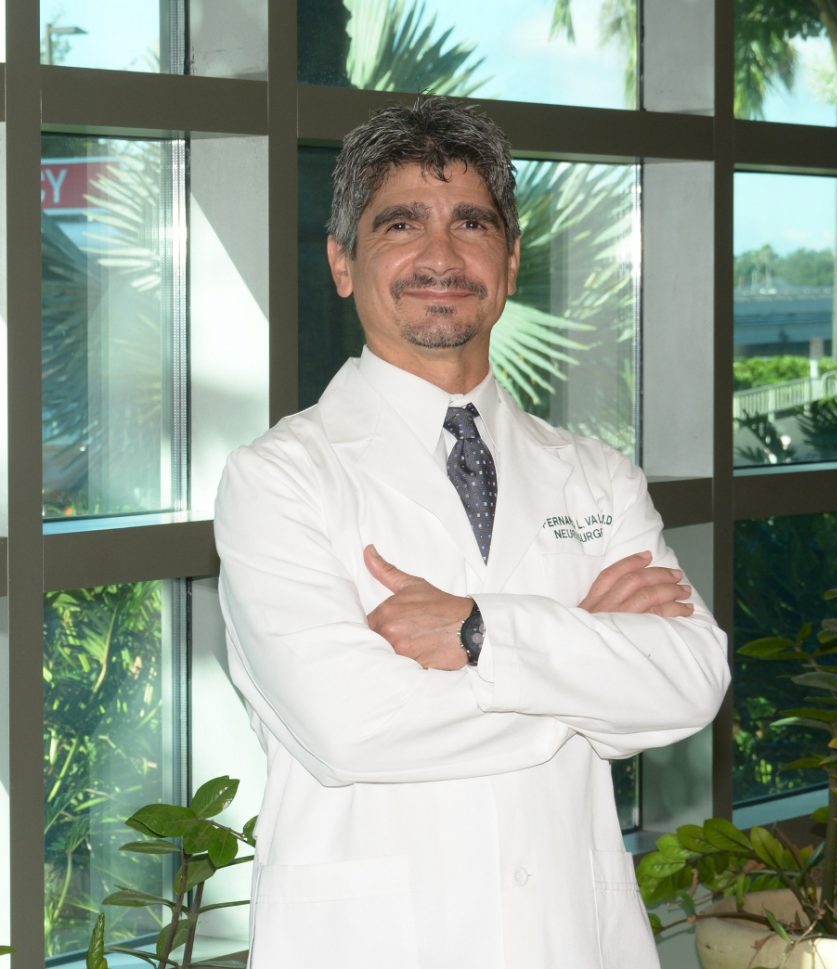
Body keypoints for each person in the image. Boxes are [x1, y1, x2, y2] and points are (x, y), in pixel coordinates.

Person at [214, 95, 730, 969]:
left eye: (472, 222)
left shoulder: (596, 474)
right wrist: (585, 671)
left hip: (573, 941)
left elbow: (692, 678)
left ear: (512, 259)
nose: (442, 256)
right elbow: (353, 726)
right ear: (342, 262)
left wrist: (480, 630)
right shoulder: (277, 480)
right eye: (401, 223)